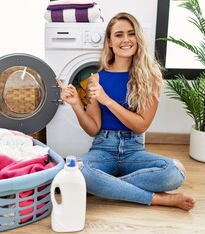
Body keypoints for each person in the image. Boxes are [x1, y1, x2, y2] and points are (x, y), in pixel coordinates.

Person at [56, 12, 196, 211]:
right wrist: (76, 105)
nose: (126, 39)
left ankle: (103, 184)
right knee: (80, 169)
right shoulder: (96, 78)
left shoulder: (151, 77)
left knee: (174, 172)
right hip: (102, 148)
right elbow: (93, 129)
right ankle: (158, 199)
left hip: (134, 150)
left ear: (138, 38)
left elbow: (141, 125)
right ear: (110, 42)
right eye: (119, 35)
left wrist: (107, 101)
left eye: (131, 34)